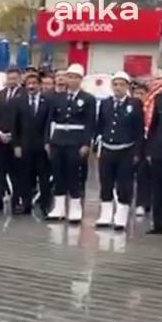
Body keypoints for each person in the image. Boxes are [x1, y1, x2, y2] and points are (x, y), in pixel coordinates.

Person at [45, 64, 96, 224]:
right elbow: (49, 120)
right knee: (58, 173)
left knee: (74, 174)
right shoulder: (57, 98)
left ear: (81, 80)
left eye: (75, 77)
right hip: (59, 139)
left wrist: (86, 143)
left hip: (76, 140)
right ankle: (58, 207)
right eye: (69, 76)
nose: (71, 80)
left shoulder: (88, 99)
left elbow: (90, 123)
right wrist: (47, 140)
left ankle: (75, 207)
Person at [94, 72, 144, 231]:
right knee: (106, 183)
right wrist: (97, 146)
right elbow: (100, 126)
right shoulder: (106, 103)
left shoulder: (134, 104)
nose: (118, 88)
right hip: (108, 149)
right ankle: (105, 214)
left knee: (124, 185)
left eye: (121, 84)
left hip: (126, 150)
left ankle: (121, 216)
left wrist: (137, 152)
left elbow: (139, 130)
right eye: (115, 84)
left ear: (127, 87)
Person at [12, 71, 51, 215]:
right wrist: (16, 145)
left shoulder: (47, 101)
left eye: (34, 84)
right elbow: (15, 125)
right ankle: (26, 204)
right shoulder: (19, 101)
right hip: (25, 145)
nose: (32, 86)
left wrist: (48, 143)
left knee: (44, 178)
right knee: (25, 177)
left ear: (40, 85)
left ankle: (45, 206)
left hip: (42, 147)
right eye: (29, 84)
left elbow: (49, 123)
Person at [0, 66, 23, 211]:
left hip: (16, 140)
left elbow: (25, 120)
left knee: (17, 172)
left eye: (14, 78)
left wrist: (13, 136)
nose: (11, 81)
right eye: (9, 78)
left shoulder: (24, 95)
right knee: (0, 171)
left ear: (19, 79)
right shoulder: (0, 95)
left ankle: (17, 201)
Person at [143, 77, 162, 234]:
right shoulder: (158, 98)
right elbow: (153, 125)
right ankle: (158, 224)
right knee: (157, 188)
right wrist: (149, 149)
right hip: (158, 150)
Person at [133, 83, 152, 217]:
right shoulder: (130, 108)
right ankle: (139, 202)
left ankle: (146, 203)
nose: (139, 96)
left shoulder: (150, 109)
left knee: (146, 174)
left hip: (149, 144)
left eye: (141, 93)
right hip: (133, 145)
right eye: (136, 93)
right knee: (138, 175)